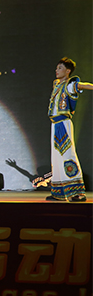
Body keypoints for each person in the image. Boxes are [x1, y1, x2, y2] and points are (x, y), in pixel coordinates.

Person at [47, 57, 92, 202]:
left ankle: (78, 193)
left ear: (68, 71)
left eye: (60, 68)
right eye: (57, 68)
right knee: (56, 158)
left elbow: (83, 85)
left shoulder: (70, 85)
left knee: (68, 155)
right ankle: (59, 192)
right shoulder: (57, 84)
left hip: (63, 123)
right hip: (55, 124)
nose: (57, 70)